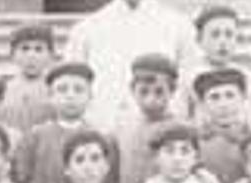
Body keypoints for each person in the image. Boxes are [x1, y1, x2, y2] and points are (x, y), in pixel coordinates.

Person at [63, 0, 201, 132]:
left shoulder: (179, 26)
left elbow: (192, 82)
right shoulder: (86, 30)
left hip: (167, 134)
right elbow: (73, 82)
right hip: (103, 128)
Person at [14, 62, 101, 183]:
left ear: (90, 97)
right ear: (50, 96)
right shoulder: (35, 136)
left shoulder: (100, 138)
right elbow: (21, 179)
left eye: (78, 90)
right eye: (62, 90)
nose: (70, 96)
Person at [185, 5, 251, 129]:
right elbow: (179, 122)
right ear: (199, 39)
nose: (222, 42)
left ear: (237, 38)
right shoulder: (188, 80)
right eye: (215, 35)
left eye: (229, 35)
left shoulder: (250, 78)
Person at [116, 54, 181, 183]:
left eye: (159, 92)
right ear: (132, 90)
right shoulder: (122, 128)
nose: (151, 99)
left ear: (172, 91)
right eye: (144, 92)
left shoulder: (180, 130)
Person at [194, 68, 251, 183]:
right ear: (202, 103)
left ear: (243, 98)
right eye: (214, 97)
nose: (223, 104)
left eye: (230, 95)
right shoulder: (194, 143)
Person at [0, 23, 57, 135]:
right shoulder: (4, 90)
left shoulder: (55, 90)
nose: (31, 55)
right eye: (25, 49)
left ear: (50, 55)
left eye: (38, 49)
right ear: (12, 55)